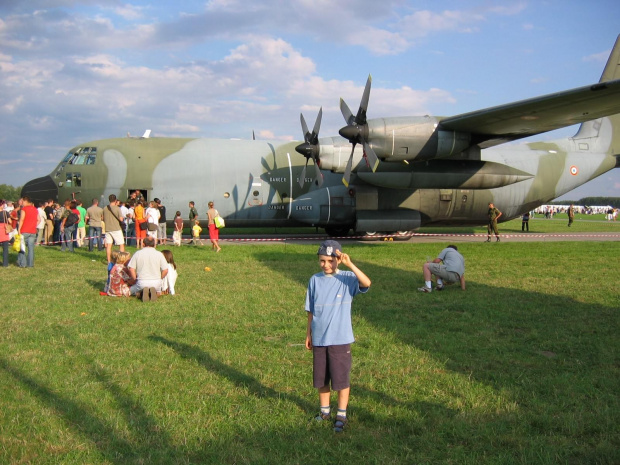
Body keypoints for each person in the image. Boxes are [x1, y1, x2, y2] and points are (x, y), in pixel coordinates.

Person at [305, 240, 371, 433]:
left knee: (341, 379)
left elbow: (367, 283)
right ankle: (324, 411)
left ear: (339, 260)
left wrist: (350, 264)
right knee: (321, 378)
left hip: (340, 339)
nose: (326, 265)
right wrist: (308, 333)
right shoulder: (314, 280)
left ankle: (341, 414)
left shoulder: (348, 279)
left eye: (330, 261)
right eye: (322, 261)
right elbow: (310, 309)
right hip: (319, 338)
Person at [127, 236, 168, 301]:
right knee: (158, 292)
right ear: (154, 244)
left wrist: (135, 279)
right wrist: (160, 278)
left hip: (142, 282)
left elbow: (131, 268)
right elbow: (165, 270)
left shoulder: (137, 254)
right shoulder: (159, 254)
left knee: (129, 291)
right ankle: (154, 293)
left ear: (143, 244)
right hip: (156, 282)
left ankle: (141, 294)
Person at [102, 194, 125, 263]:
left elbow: (102, 218)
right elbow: (121, 219)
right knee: (121, 244)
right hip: (116, 228)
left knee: (109, 245)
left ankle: (109, 261)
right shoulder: (117, 208)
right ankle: (121, 260)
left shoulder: (105, 208)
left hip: (108, 228)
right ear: (115, 200)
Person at [18, 196, 38, 267]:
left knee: (22, 247)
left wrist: (19, 229)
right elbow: (39, 220)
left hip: (25, 230)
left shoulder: (24, 209)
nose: (22, 203)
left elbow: (22, 219)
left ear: (25, 201)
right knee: (31, 248)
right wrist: (34, 225)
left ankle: (22, 264)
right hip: (33, 231)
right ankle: (30, 264)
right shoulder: (35, 209)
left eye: (22, 201)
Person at [1, 200, 11, 267]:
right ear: (1, 205)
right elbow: (10, 221)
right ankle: (5, 264)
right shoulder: (5, 212)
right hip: (4, 230)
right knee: (5, 248)